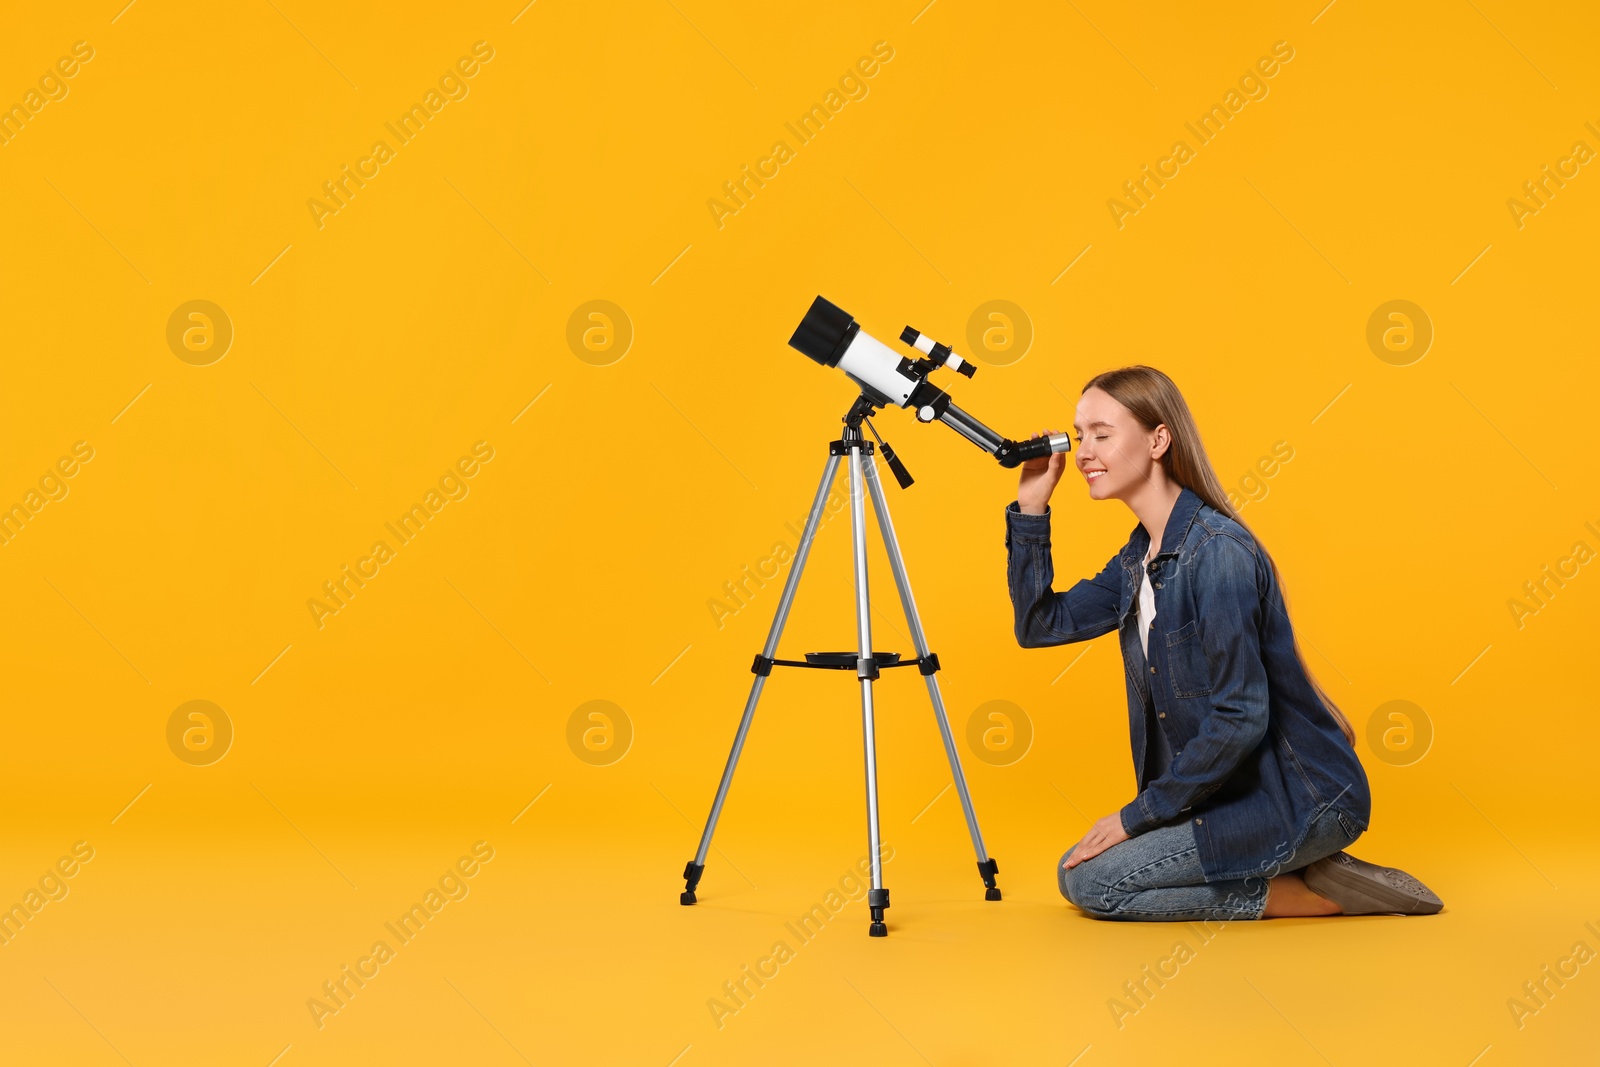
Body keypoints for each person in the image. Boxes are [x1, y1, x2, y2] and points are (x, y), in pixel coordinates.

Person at [1005, 365, 1442, 921]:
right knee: (1080, 872)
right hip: (1225, 797)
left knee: (1094, 885)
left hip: (1302, 800)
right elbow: (1040, 626)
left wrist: (1136, 817)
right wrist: (1032, 510)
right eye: (1079, 433)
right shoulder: (1139, 558)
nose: (1084, 451)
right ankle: (1290, 867)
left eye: (1102, 433)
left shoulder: (1216, 553)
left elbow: (1240, 716)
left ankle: (1313, 893)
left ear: (1158, 440)